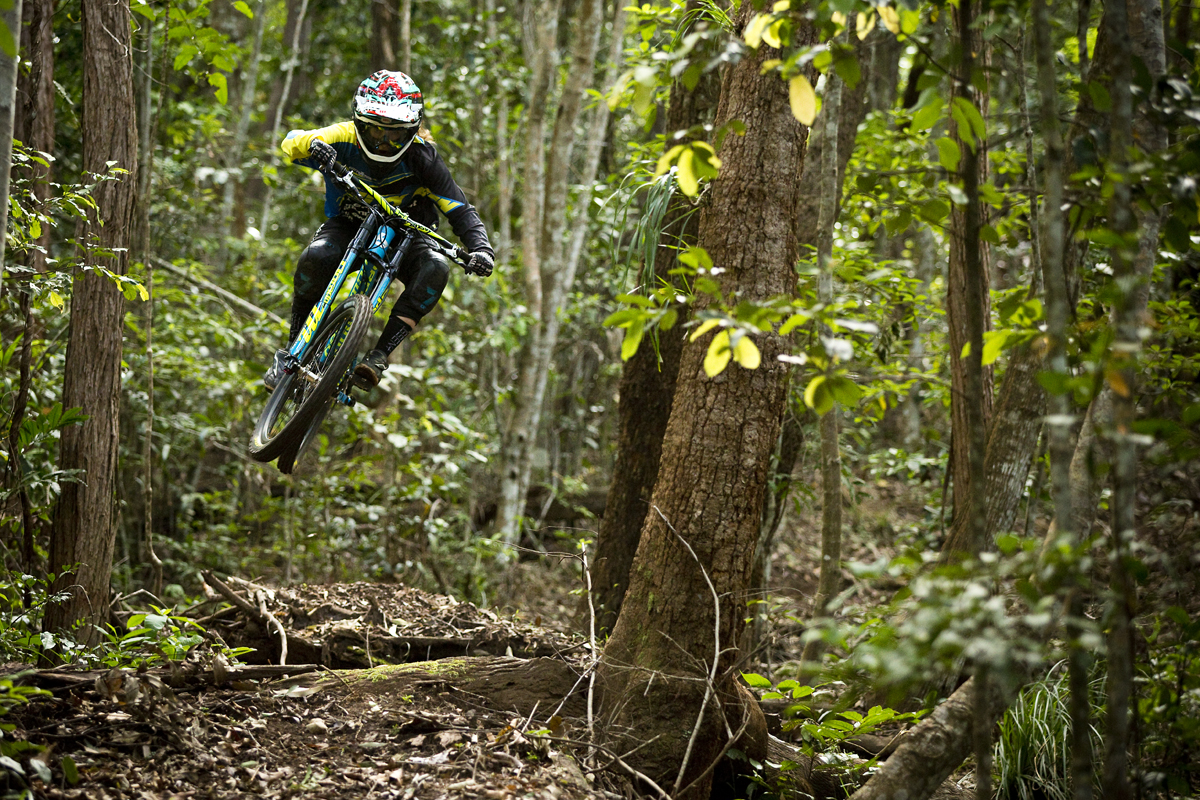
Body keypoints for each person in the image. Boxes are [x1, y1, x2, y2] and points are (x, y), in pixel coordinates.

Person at [264, 70, 494, 390]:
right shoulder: (342, 136)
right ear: (359, 123)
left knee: (435, 269)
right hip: (349, 223)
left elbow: (460, 210)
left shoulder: (424, 158)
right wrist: (316, 145)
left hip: (409, 233)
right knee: (316, 257)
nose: (384, 142)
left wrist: (481, 249)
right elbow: (291, 143)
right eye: (375, 132)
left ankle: (379, 357)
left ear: (412, 131)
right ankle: (292, 348)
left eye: (395, 134)